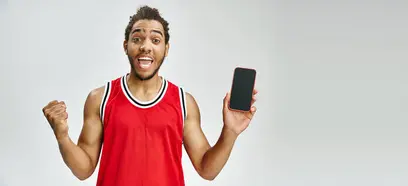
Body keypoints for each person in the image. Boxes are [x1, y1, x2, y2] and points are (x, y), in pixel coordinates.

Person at [41, 5, 258, 186]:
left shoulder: (184, 102)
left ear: (166, 49)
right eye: (137, 39)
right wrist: (62, 137)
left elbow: (206, 168)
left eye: (155, 40)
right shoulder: (101, 98)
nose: (145, 46)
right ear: (126, 46)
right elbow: (84, 169)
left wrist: (230, 131)